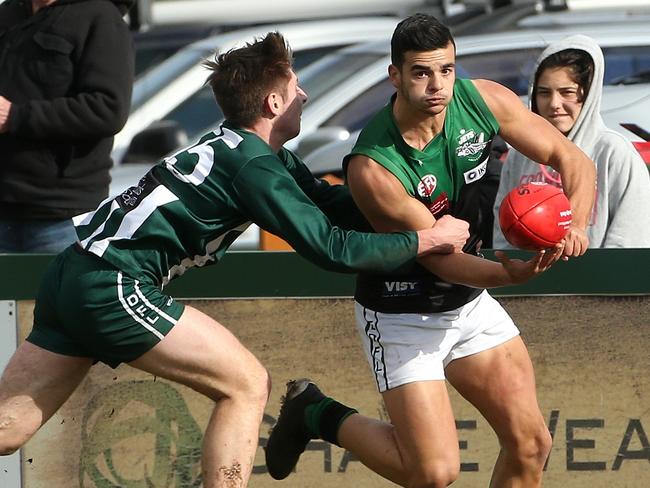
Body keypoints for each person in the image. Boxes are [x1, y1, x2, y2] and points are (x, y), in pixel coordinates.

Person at [0, 32, 474, 488]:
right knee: (246, 384)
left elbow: (333, 207)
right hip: (113, 283)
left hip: (74, 271)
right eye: (294, 87)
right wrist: (425, 240)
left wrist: (398, 184)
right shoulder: (254, 166)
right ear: (272, 103)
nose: (304, 95)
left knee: (8, 430)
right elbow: (332, 248)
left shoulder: (252, 151)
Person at [265, 14, 596, 488]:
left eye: (446, 70)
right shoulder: (373, 166)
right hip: (403, 312)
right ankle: (312, 411)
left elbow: (571, 158)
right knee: (434, 473)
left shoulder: (481, 99)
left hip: (468, 301)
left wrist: (576, 224)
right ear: (394, 76)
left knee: (531, 444)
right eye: (421, 72)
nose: (437, 85)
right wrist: (511, 276)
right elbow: (441, 256)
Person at [0, 0, 135, 253]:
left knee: (59, 293)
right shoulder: (9, 13)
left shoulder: (100, 17)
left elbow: (108, 108)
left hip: (62, 214)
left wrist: (16, 116)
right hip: (5, 206)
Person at [493, 34, 650, 249]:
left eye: (567, 92)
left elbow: (631, 236)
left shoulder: (613, 151)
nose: (555, 103)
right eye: (544, 93)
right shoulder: (520, 153)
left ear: (588, 95)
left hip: (598, 280)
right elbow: (503, 230)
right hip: (532, 280)